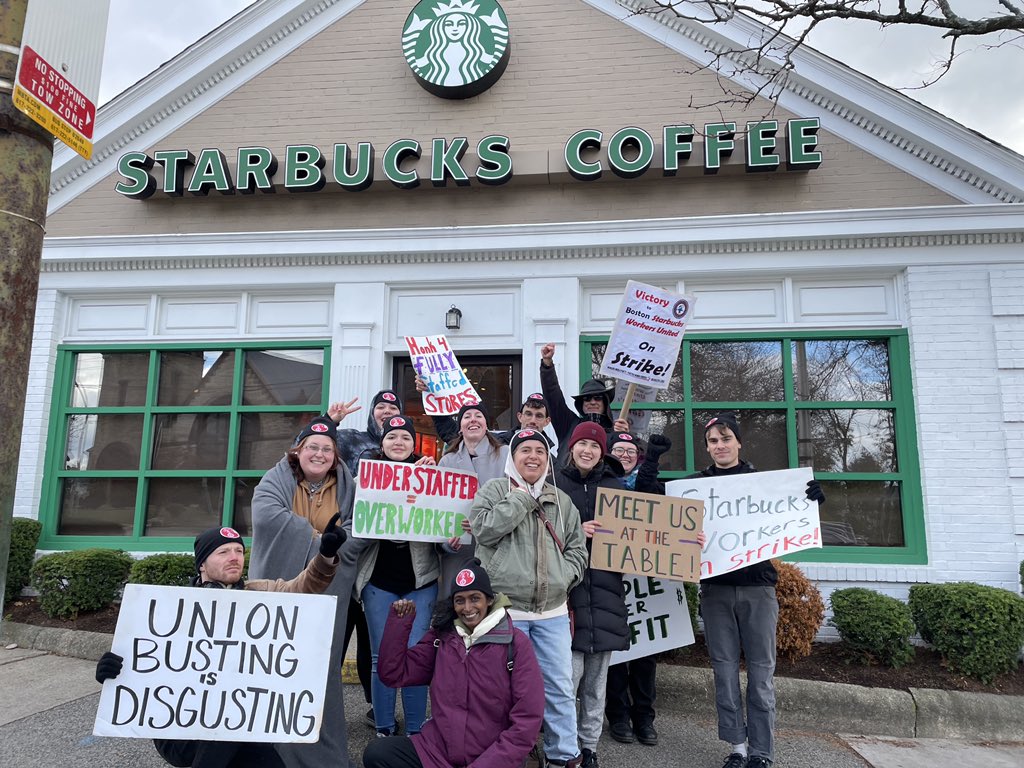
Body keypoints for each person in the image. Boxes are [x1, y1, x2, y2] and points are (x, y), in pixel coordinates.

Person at [94, 522, 346, 768]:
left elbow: (304, 587)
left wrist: (325, 555)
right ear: (201, 563)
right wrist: (113, 669)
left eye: (239, 550)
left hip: (243, 729)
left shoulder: (261, 595)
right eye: (223, 551)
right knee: (228, 721)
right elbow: (147, 657)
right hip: (180, 732)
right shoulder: (170, 609)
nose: (234, 557)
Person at [691, 413, 825, 768]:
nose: (720, 446)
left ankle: (761, 752)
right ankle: (736, 746)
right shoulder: (694, 487)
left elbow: (790, 510)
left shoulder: (763, 484)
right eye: (713, 441)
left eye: (726, 439)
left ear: (738, 442)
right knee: (723, 672)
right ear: (707, 448)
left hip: (758, 590)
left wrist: (810, 499)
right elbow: (659, 508)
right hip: (716, 590)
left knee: (762, 675)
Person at [248, 415, 362, 768]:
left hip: (328, 590)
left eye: (327, 449)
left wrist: (335, 548)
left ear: (336, 455)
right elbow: (267, 516)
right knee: (269, 665)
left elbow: (363, 527)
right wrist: (321, 542)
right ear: (297, 451)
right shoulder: (274, 480)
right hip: (276, 587)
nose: (319, 454)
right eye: (312, 447)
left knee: (318, 667)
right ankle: (266, 752)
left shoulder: (350, 487)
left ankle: (319, 754)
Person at [471, 429, 589, 768]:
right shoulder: (494, 491)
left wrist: (562, 577)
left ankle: (562, 754)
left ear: (548, 458)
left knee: (559, 687)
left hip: (551, 613)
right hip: (508, 611)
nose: (533, 456)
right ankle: (505, 754)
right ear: (513, 457)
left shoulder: (561, 500)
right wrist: (523, 497)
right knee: (501, 690)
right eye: (525, 450)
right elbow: (484, 530)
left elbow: (578, 550)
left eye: (540, 450)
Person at [361, 559, 545, 768]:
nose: (467, 608)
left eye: (475, 598)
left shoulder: (515, 643)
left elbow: (527, 722)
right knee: (379, 753)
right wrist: (400, 622)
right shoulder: (442, 637)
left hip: (491, 759)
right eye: (460, 600)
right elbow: (393, 673)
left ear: (489, 600)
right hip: (437, 753)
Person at [356, 415, 441, 738]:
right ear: (382, 443)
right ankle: (384, 726)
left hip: (420, 581)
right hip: (378, 582)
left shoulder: (430, 475)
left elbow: (444, 534)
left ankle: (417, 730)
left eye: (405, 437)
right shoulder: (366, 477)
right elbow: (354, 525)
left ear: (413, 444)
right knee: (382, 657)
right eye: (392, 437)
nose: (398, 443)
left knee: (417, 654)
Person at [557, 422, 630, 768]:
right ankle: (563, 745)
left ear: (603, 451)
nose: (588, 450)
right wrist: (576, 531)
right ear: (571, 448)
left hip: (605, 595)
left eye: (595, 445)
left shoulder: (616, 487)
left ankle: (589, 747)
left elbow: (642, 534)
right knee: (566, 679)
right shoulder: (555, 485)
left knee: (596, 683)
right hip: (565, 597)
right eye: (582, 444)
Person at [605, 432, 674, 747]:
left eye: (630, 450)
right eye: (618, 449)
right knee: (617, 653)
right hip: (610, 578)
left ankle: (644, 717)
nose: (624, 454)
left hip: (648, 581)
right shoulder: (603, 484)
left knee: (646, 655)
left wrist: (653, 463)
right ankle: (618, 715)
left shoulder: (652, 485)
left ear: (639, 456)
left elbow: (652, 497)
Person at [436, 402, 510, 594]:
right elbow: (438, 508)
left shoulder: (506, 454)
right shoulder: (447, 461)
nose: (473, 420)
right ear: (460, 427)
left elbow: (515, 499)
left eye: (478, 415)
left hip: (498, 548)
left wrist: (486, 522)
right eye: (467, 416)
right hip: (460, 551)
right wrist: (447, 542)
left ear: (486, 424)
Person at [539, 343, 629, 462]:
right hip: (567, 479)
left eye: (597, 398)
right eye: (587, 399)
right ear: (581, 404)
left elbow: (627, 463)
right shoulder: (568, 424)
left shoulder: (616, 430)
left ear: (605, 402)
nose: (592, 402)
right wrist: (547, 365)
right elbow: (552, 395)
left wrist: (624, 438)